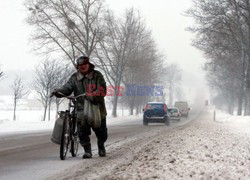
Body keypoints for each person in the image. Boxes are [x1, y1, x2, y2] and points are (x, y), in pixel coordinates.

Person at [51, 56, 108, 158]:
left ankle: (101, 146)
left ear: (89, 65)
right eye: (80, 65)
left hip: (97, 108)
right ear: (78, 67)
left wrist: (92, 95)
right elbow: (67, 88)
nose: (83, 67)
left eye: (85, 64)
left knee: (101, 131)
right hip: (81, 108)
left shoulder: (97, 75)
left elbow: (102, 89)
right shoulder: (74, 77)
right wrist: (59, 92)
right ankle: (87, 151)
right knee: (82, 131)